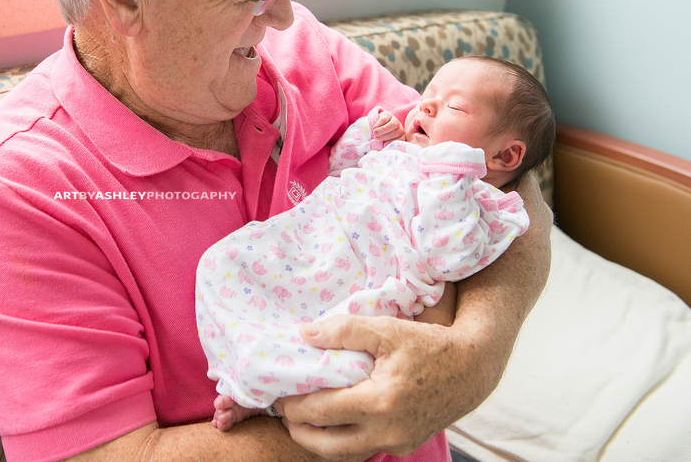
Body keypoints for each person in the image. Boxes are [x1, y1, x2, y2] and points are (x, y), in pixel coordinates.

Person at [0, 0, 553, 460]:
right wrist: (359, 402)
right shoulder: (18, 193)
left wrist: (474, 354)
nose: (284, 14)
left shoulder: (301, 50)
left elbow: (500, 173)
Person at [197, 56, 555, 431]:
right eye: (429, 92)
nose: (425, 104)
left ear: (505, 155)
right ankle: (247, 376)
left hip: (373, 281)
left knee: (341, 346)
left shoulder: (479, 202)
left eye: (453, 106)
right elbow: (339, 169)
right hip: (317, 244)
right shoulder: (403, 149)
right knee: (225, 264)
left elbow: (449, 257)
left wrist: (449, 174)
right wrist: (368, 135)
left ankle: (267, 399)